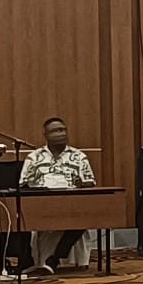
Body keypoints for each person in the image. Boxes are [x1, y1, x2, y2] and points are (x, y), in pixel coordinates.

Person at [19, 117, 97, 274]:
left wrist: (82, 184)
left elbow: (90, 182)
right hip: (41, 204)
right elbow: (23, 184)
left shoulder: (79, 156)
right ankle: (43, 260)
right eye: (56, 131)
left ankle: (55, 258)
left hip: (71, 204)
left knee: (83, 218)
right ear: (46, 135)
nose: (61, 134)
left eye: (63, 130)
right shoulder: (34, 157)